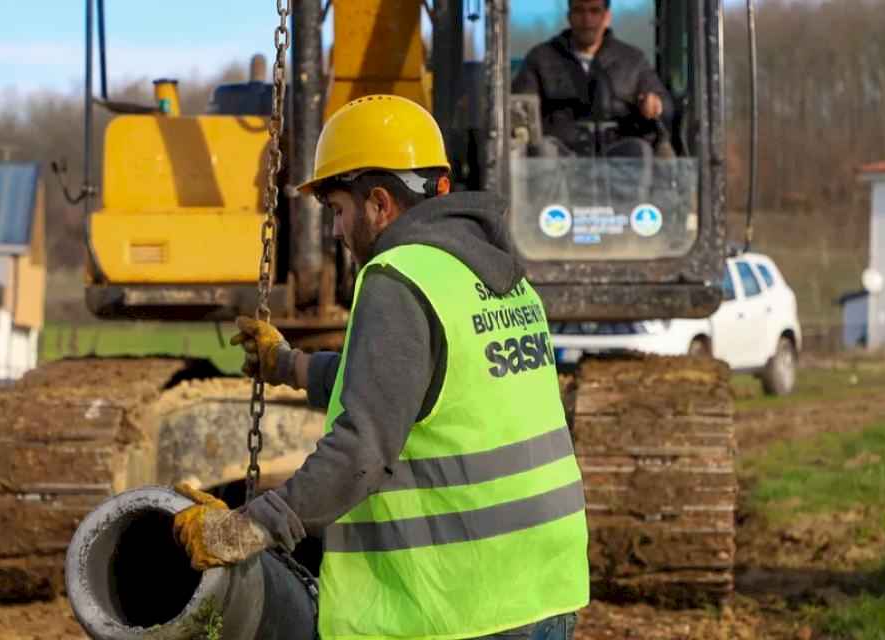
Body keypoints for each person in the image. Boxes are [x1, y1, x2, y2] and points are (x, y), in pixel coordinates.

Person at [172, 94, 589, 640]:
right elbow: (425, 384)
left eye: (339, 211)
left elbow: (360, 454)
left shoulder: (398, 275)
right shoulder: (494, 274)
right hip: (542, 588)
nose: (339, 233)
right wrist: (291, 366)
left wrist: (246, 528)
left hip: (459, 605)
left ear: (378, 204)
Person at [512, 0, 674, 159]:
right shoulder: (541, 59)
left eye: (594, 11)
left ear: (607, 17)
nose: (587, 19)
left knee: (639, 150)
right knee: (543, 151)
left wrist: (655, 104)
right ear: (569, 16)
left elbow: (665, 106)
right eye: (579, 11)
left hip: (619, 160)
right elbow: (520, 108)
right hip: (561, 160)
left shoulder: (633, 61)